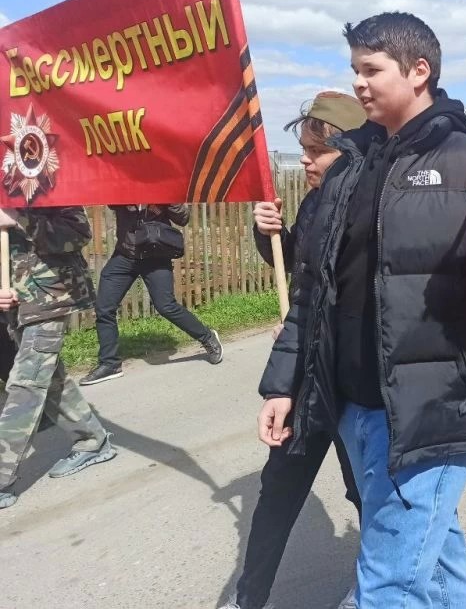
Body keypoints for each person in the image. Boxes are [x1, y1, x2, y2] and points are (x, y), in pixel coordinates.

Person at [255, 12, 466, 608]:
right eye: (355, 71)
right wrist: (282, 384)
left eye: (371, 70)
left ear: (419, 71)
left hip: (433, 410)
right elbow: (314, 292)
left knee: (388, 586)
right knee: (434, 553)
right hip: (354, 406)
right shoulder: (349, 169)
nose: (360, 84)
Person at [223, 92, 368, 609]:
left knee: (367, 497)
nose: (305, 160)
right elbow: (300, 271)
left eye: (316, 151)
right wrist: (271, 237)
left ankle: (376, 593)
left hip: (354, 389)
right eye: (303, 149)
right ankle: (249, 599)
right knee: (277, 496)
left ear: (350, 151)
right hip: (305, 381)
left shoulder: (374, 207)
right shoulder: (313, 202)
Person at [0, 206, 117, 510]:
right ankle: (94, 440)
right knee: (49, 378)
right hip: (16, 304)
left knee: (26, 383)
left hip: (51, 297)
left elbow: (77, 233)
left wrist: (19, 219)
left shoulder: (47, 184)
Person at [80, 204, 222, 385]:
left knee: (166, 305)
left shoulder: (162, 188)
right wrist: (127, 194)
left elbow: (183, 218)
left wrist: (165, 201)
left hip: (156, 255)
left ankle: (207, 337)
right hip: (125, 255)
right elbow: (112, 202)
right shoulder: (124, 187)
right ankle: (109, 363)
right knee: (104, 308)